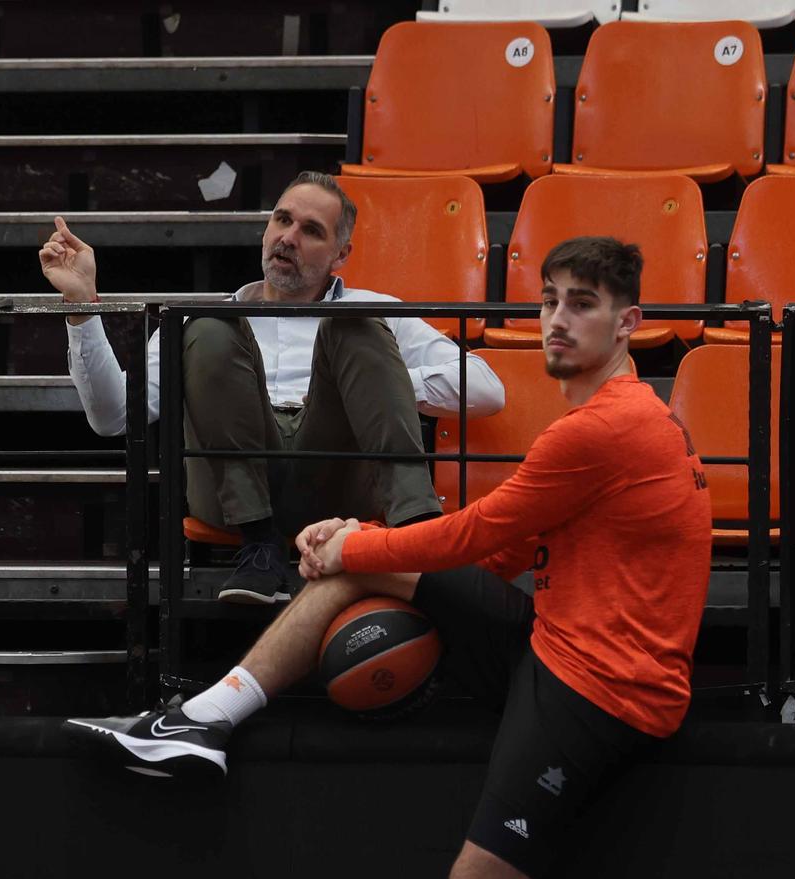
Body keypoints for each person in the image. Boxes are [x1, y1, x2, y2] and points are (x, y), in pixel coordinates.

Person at [64, 237, 712, 879]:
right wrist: (360, 551)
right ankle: (202, 719)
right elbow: (526, 543)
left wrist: (360, 534)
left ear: (628, 325)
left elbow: (478, 535)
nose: (554, 320)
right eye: (547, 301)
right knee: (358, 569)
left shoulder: (605, 429)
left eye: (581, 305)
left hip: (600, 686)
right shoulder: (603, 421)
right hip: (556, 631)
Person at [38, 170, 505, 605]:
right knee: (207, 325)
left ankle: (419, 538)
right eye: (282, 220)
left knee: (357, 327)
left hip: (337, 481)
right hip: (229, 491)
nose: (288, 237)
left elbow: (487, 389)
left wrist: (364, 387)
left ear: (341, 255)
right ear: (265, 230)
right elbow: (114, 417)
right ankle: (258, 543)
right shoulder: (208, 321)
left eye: (311, 230)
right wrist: (81, 307)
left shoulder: (373, 308)